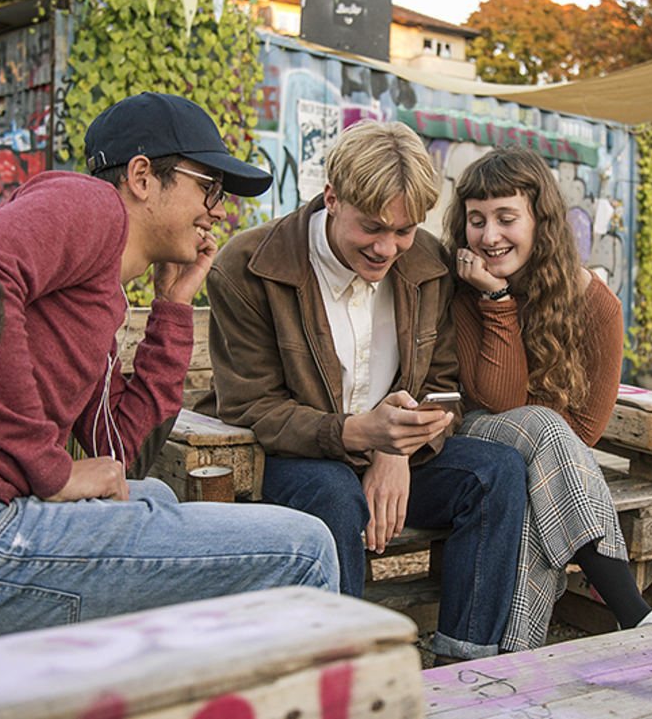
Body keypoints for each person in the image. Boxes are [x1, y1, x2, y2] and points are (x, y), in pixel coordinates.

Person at [0, 92, 339, 660]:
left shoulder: (87, 296)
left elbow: (121, 460)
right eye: (209, 187)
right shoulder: (92, 204)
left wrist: (170, 308)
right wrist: (49, 469)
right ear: (143, 176)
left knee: (154, 493)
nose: (218, 210)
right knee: (305, 548)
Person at [197, 120, 527, 663]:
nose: (387, 247)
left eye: (404, 230)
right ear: (332, 197)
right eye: (373, 227)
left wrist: (396, 448)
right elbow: (251, 408)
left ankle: (465, 666)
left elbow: (442, 388)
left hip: (391, 456)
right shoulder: (249, 266)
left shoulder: (428, 262)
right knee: (334, 494)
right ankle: (348, 678)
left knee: (497, 473)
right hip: (287, 458)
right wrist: (359, 434)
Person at [445, 146, 652, 653]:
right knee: (541, 429)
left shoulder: (594, 306)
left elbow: (583, 433)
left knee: (528, 492)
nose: (489, 235)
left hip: (541, 467)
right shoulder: (461, 291)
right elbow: (496, 401)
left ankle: (507, 665)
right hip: (470, 441)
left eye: (506, 218)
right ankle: (634, 614)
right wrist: (495, 299)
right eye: (476, 221)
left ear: (541, 220)